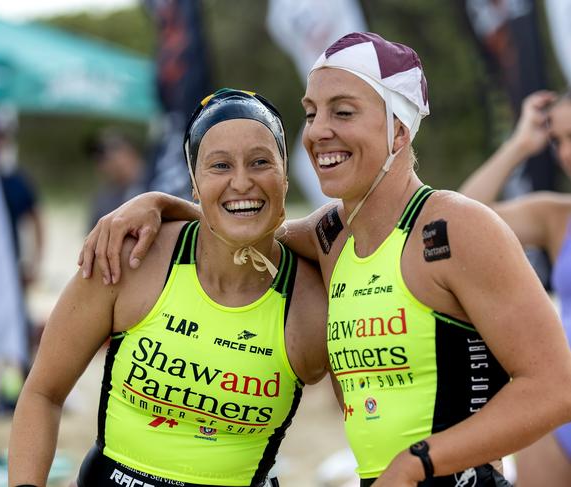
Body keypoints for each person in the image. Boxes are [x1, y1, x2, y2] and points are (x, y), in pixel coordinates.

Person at [78, 32, 571, 486]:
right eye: (311, 112)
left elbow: (555, 387)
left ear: (399, 131)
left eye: (343, 111)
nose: (317, 132)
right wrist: (157, 204)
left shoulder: (455, 227)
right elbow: (243, 225)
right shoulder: (329, 236)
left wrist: (417, 461)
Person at [8, 89, 329, 487]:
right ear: (194, 182)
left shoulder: (313, 303)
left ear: (285, 176)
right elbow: (43, 393)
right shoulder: (129, 259)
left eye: (261, 162)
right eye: (220, 165)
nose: (241, 181)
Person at [459, 89, 571, 486]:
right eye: (560, 140)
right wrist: (519, 145)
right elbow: (457, 222)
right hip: (560, 412)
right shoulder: (555, 218)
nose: (566, 153)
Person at [86, 129, 149, 231]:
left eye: (105, 157)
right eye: (98, 160)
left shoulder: (159, 184)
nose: (101, 166)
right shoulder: (103, 198)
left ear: (129, 152)